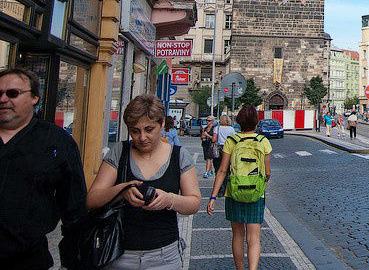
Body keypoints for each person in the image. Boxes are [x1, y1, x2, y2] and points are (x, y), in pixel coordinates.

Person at [86, 94, 200, 269]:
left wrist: (169, 200)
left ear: (162, 124)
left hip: (164, 256)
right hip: (119, 253)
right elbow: (92, 199)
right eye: (135, 131)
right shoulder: (120, 152)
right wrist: (122, 191)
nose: (142, 138)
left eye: (149, 129)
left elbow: (193, 203)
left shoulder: (179, 155)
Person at [0, 68, 86, 269]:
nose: (3, 99)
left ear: (34, 98)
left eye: (12, 93)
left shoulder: (57, 142)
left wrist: (72, 261)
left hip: (27, 261)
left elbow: (75, 209)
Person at [207, 105, 271, 270]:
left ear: (239, 122)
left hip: (233, 192)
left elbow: (222, 170)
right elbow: (268, 173)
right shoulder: (263, 142)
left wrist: (213, 197)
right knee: (254, 238)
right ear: (256, 122)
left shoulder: (232, 141)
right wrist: (259, 184)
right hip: (256, 194)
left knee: (237, 235)